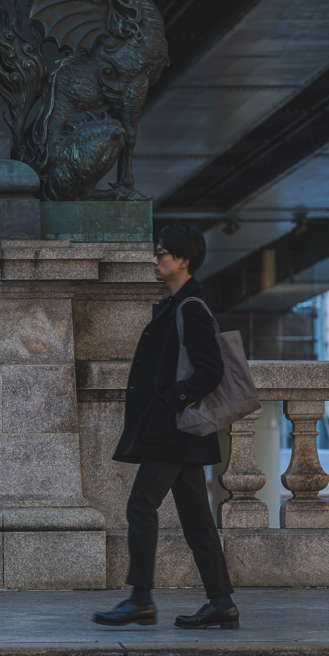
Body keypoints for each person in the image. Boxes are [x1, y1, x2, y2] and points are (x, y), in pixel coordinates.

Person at [93, 221, 239, 630]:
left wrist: (169, 401)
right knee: (196, 519)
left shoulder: (190, 308)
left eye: (161, 254)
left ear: (184, 260)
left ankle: (140, 599)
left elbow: (210, 371)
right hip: (180, 430)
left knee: (141, 505)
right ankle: (222, 603)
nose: (154, 259)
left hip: (174, 428)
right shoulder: (176, 304)